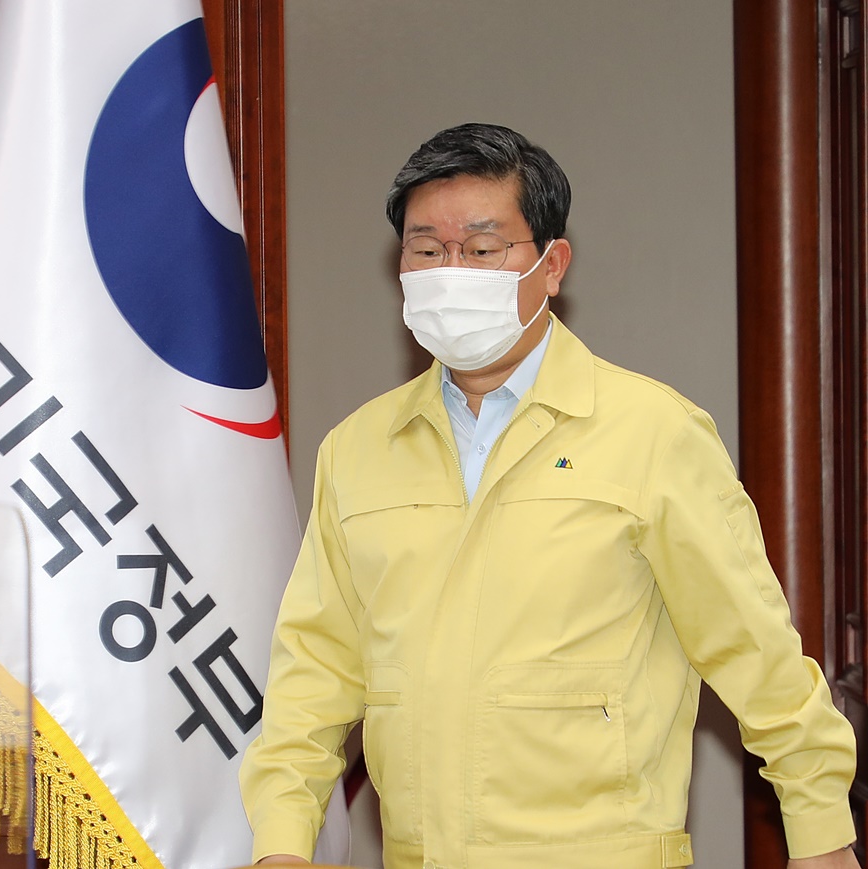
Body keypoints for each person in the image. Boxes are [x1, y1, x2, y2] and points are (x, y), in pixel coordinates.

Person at [239, 123, 860, 868]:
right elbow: (314, 671)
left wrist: (821, 829)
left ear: (552, 263)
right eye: (426, 249)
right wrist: (281, 844)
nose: (450, 269)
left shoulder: (652, 431)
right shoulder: (358, 448)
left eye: (482, 246)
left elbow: (753, 648)